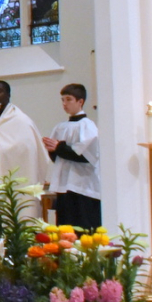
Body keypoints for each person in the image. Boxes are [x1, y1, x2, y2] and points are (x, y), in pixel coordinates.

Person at [43, 83, 101, 230]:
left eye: (68, 99)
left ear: (80, 102)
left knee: (83, 229)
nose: (64, 104)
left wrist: (59, 147)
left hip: (83, 186)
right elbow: (58, 159)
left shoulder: (87, 126)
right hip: (64, 185)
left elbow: (87, 156)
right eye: (62, 100)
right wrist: (52, 150)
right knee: (64, 229)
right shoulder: (60, 127)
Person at [0, 80, 51, 186]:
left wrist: (0, 148)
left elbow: (27, 148)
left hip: (10, 179)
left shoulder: (21, 120)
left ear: (8, 95)